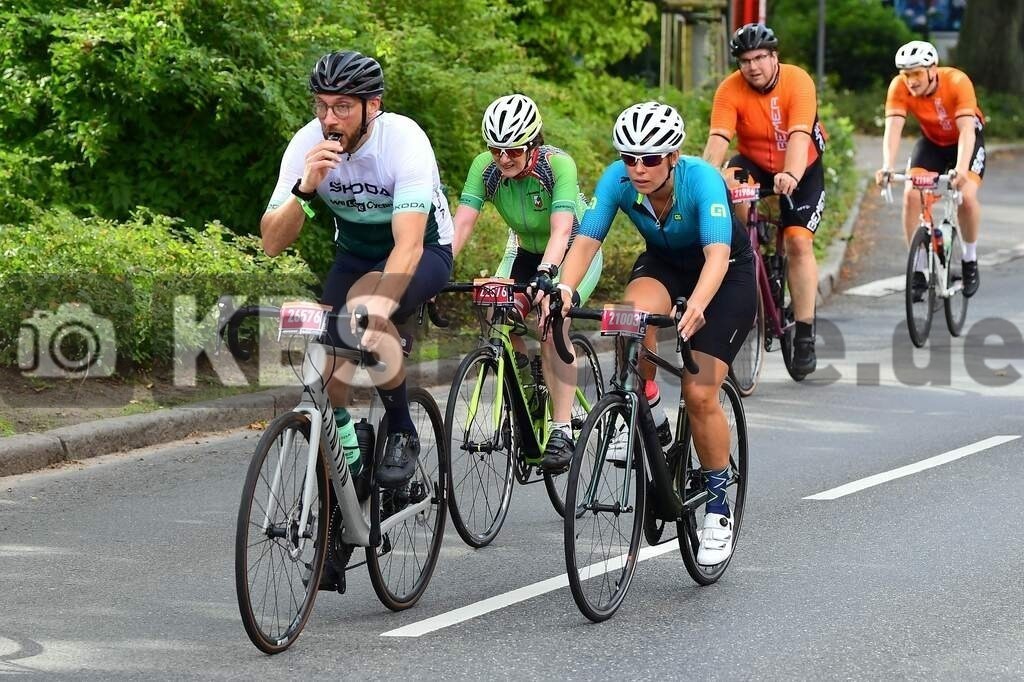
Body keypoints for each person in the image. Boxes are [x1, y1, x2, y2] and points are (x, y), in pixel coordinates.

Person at [551, 101, 755, 565]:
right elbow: (586, 240)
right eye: (629, 158)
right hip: (665, 267)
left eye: (649, 159)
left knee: (700, 392)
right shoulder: (617, 181)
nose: (637, 169)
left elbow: (719, 256)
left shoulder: (701, 179)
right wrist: (565, 288)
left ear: (673, 157)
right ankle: (648, 407)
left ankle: (718, 506)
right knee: (629, 315)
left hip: (723, 276)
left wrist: (699, 305)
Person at [261, 50, 454, 492]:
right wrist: (306, 189)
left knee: (368, 307)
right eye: (322, 105)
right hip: (353, 254)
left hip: (423, 250)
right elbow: (272, 242)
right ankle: (349, 458)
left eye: (343, 107)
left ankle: (403, 430)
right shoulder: (307, 144)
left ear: (373, 106)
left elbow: (407, 244)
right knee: (327, 370)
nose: (331, 119)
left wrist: (379, 307)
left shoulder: (403, 141)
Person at [452, 94, 603, 470]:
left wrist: (548, 275)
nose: (504, 158)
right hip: (523, 249)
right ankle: (527, 387)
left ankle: (562, 428)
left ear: (532, 144)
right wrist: (437, 268)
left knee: (552, 318)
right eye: (496, 149)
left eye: (514, 150)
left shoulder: (557, 166)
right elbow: (461, 226)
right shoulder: (484, 168)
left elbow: (562, 228)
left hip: (572, 249)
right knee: (493, 304)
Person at [702, 22, 827, 379]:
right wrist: (699, 179)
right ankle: (744, 255)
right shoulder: (730, 89)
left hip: (801, 165)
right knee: (728, 182)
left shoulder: (798, 80)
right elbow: (718, 140)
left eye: (760, 58)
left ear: (775, 57)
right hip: (753, 162)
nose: (753, 67)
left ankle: (804, 332)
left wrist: (791, 173)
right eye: (745, 60)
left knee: (799, 242)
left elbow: (800, 135)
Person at [874, 40, 985, 300]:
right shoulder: (899, 87)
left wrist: (959, 169)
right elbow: (893, 128)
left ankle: (970, 260)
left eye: (915, 74)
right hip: (932, 143)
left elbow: (967, 130)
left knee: (966, 197)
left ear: (932, 69)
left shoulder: (957, 81)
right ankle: (920, 271)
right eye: (906, 74)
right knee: (911, 195)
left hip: (964, 141)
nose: (910, 81)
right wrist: (888, 165)